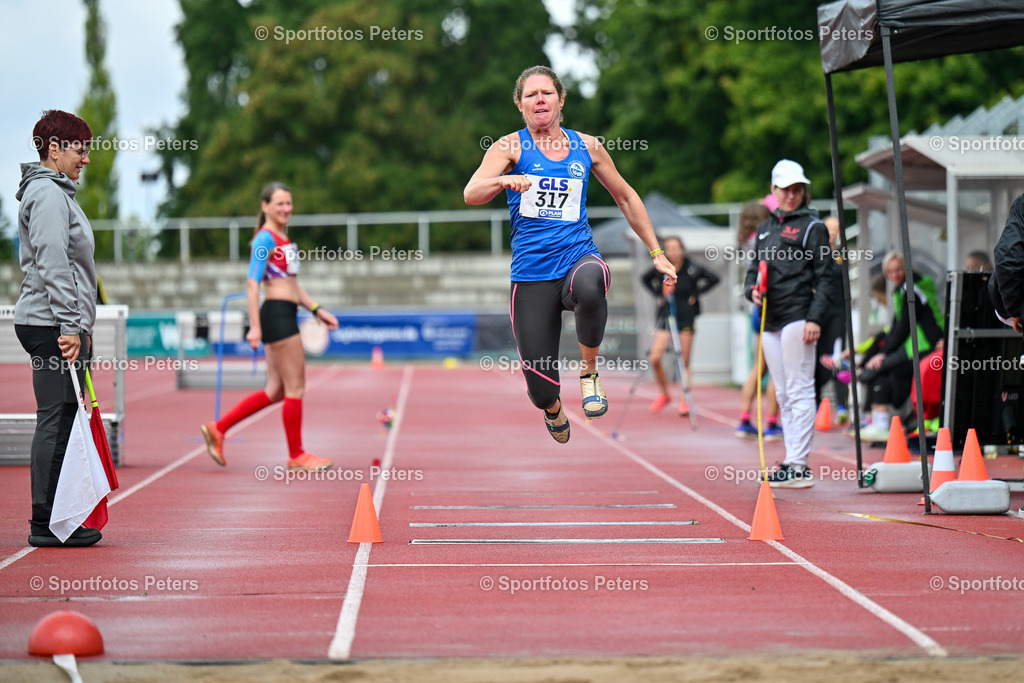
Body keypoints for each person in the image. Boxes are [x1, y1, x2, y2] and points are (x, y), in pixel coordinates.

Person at [464, 65, 676, 443]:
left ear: (561, 100)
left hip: (578, 256)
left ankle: (589, 373)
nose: (540, 99)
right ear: (520, 105)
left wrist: (656, 251)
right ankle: (553, 406)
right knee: (541, 390)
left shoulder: (588, 146)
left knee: (592, 283)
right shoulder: (509, 147)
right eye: (531, 95)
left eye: (547, 93)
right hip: (531, 274)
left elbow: (626, 196)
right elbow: (471, 192)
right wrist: (502, 180)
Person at [200, 183, 339, 470]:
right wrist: (255, 327)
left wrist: (317, 309)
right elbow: (252, 282)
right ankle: (296, 455)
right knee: (295, 388)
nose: (286, 209)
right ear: (265, 206)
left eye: (289, 203)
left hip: (285, 311)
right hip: (276, 315)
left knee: (276, 390)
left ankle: (219, 428)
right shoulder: (264, 240)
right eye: (280, 204)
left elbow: (292, 286)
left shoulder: (283, 239)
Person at [15, 110, 100, 547]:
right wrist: (71, 325)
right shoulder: (48, 195)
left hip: (57, 322)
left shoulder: (58, 193)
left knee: (65, 418)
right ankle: (45, 522)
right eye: (80, 150)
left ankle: (59, 517)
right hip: (50, 323)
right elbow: (53, 262)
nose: (85, 159)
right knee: (56, 418)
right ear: (55, 148)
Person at [744, 160, 834, 488]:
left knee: (798, 388)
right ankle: (791, 459)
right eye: (786, 189)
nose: (792, 195)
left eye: (797, 189)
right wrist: (750, 290)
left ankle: (799, 463)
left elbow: (827, 277)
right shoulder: (766, 228)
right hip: (769, 318)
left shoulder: (814, 227)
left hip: (799, 316)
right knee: (782, 392)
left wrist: (814, 318)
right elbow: (754, 269)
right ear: (774, 190)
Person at [856, 252, 944, 441]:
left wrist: (883, 354)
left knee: (876, 369)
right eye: (891, 271)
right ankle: (877, 420)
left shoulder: (913, 289)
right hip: (914, 346)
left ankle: (880, 423)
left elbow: (905, 326)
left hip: (925, 346)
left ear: (907, 269)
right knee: (877, 369)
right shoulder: (902, 289)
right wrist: (882, 352)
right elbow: (897, 325)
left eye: (898, 269)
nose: (895, 274)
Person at [641, 236, 719, 415]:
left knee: (684, 361)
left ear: (682, 249)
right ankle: (664, 393)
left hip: (686, 317)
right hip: (665, 315)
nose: (673, 252)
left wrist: (696, 294)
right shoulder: (662, 267)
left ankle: (685, 400)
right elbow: (645, 279)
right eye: (669, 248)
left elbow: (713, 279)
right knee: (655, 357)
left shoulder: (692, 268)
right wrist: (658, 295)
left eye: (676, 248)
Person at [735, 199, 781, 440]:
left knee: (758, 366)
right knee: (776, 368)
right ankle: (772, 423)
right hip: (772, 305)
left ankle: (744, 419)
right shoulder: (766, 240)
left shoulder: (745, 241)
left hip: (756, 306)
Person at [814, 216, 849, 424]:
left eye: (837, 228)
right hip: (819, 315)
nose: (833, 232)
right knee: (818, 359)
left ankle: (842, 405)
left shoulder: (842, 255)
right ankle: (817, 405)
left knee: (837, 358)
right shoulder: (815, 254)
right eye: (829, 228)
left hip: (837, 314)